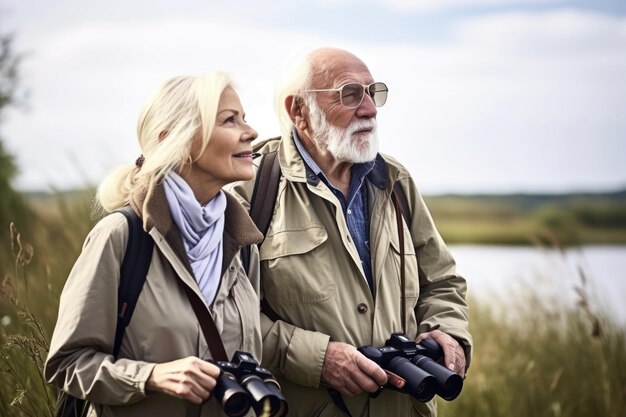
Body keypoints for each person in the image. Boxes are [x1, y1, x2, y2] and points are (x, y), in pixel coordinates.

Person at [229, 47, 473, 417]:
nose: (371, 109)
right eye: (350, 94)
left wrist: (448, 332)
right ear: (299, 111)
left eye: (373, 92)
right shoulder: (250, 191)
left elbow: (442, 281)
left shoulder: (395, 181)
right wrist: (317, 358)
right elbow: (228, 318)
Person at [45, 72, 264, 416]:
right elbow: (67, 364)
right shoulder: (121, 236)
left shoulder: (243, 243)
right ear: (174, 140)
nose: (251, 132)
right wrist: (150, 377)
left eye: (245, 118)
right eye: (229, 120)